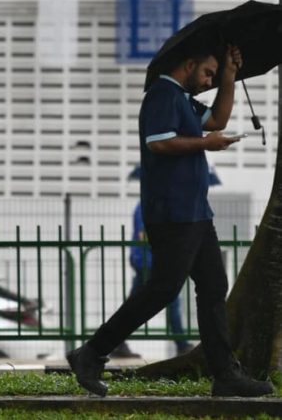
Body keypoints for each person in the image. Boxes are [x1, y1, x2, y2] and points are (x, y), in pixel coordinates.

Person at [67, 42, 274, 398]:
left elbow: (218, 120)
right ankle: (92, 352)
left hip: (196, 212)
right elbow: (159, 142)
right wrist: (205, 144)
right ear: (188, 63)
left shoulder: (185, 99)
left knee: (213, 287)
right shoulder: (162, 94)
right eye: (207, 72)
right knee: (162, 289)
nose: (207, 80)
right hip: (173, 212)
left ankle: (224, 374)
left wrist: (228, 76)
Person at [111, 202, 194, 359]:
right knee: (171, 300)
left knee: (134, 303)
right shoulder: (149, 205)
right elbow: (146, 234)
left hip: (147, 260)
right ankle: (182, 344)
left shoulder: (150, 204)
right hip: (150, 262)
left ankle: (115, 341)